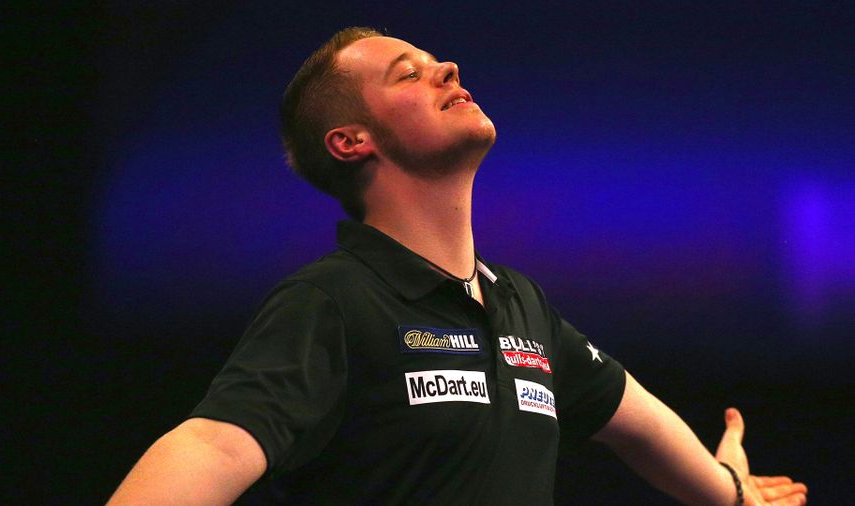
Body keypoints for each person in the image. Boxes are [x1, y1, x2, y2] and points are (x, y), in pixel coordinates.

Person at [108, 27, 808, 505]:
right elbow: (215, 445)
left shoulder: (522, 306)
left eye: (436, 61)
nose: (448, 70)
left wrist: (730, 493)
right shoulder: (336, 299)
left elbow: (638, 421)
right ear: (351, 141)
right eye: (408, 74)